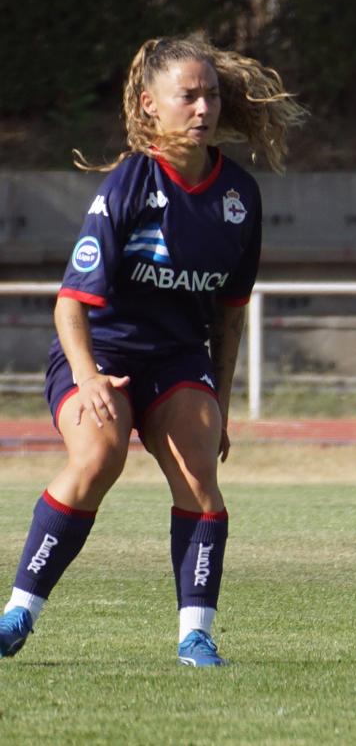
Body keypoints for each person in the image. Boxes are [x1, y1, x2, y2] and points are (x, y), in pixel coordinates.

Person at [0, 36, 305, 666]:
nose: (203, 108)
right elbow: (69, 305)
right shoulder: (129, 185)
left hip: (175, 359)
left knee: (200, 471)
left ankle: (196, 636)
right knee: (100, 455)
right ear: (150, 105)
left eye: (212, 95)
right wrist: (86, 380)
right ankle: (16, 615)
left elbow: (230, 315)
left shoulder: (239, 196)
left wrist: (218, 397)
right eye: (187, 96)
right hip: (100, 352)